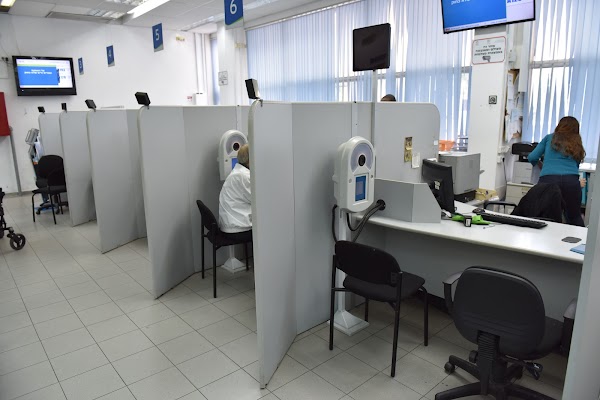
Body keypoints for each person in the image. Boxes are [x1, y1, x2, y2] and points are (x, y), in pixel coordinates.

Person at [528, 116, 586, 226]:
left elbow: (532, 157)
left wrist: (543, 166)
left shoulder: (549, 138)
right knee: (574, 217)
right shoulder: (577, 142)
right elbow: (576, 164)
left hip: (548, 181)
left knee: (544, 217)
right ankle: (581, 238)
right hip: (571, 182)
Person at [219, 144, 253, 241]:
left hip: (232, 224)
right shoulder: (244, 176)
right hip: (238, 229)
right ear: (250, 160)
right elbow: (258, 201)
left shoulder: (238, 172)